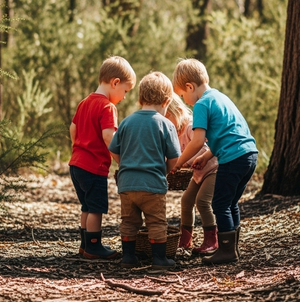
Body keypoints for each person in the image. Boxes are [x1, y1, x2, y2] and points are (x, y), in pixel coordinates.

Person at [172, 59, 258, 264]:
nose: (186, 101)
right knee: (230, 203)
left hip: (233, 158)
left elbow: (196, 141)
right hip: (249, 154)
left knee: (219, 204)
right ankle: (232, 248)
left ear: (190, 87)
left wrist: (177, 162)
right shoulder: (219, 96)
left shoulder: (201, 104)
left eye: (183, 96)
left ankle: (226, 251)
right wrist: (206, 156)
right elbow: (226, 134)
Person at [108, 72, 181, 270]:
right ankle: (159, 259)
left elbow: (113, 149)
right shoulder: (165, 124)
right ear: (167, 101)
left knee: (129, 222)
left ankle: (128, 258)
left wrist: (125, 164)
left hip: (127, 184)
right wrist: (163, 171)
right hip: (152, 185)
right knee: (157, 222)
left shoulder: (127, 122)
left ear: (140, 98)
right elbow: (174, 157)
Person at [69, 56, 136, 259]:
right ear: (115, 82)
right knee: (96, 208)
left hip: (76, 164)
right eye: (125, 91)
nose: (124, 97)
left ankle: (84, 244)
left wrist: (78, 147)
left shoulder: (84, 102)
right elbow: (109, 137)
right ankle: (94, 246)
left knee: (86, 206)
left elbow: (73, 128)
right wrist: (121, 160)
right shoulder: (108, 107)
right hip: (93, 168)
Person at [165, 94, 219, 255]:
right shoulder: (175, 132)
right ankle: (185, 239)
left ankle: (212, 240)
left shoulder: (190, 126)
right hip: (198, 174)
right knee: (186, 201)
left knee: (202, 201)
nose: (167, 121)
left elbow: (203, 149)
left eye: (168, 116)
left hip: (213, 170)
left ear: (179, 111)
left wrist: (184, 162)